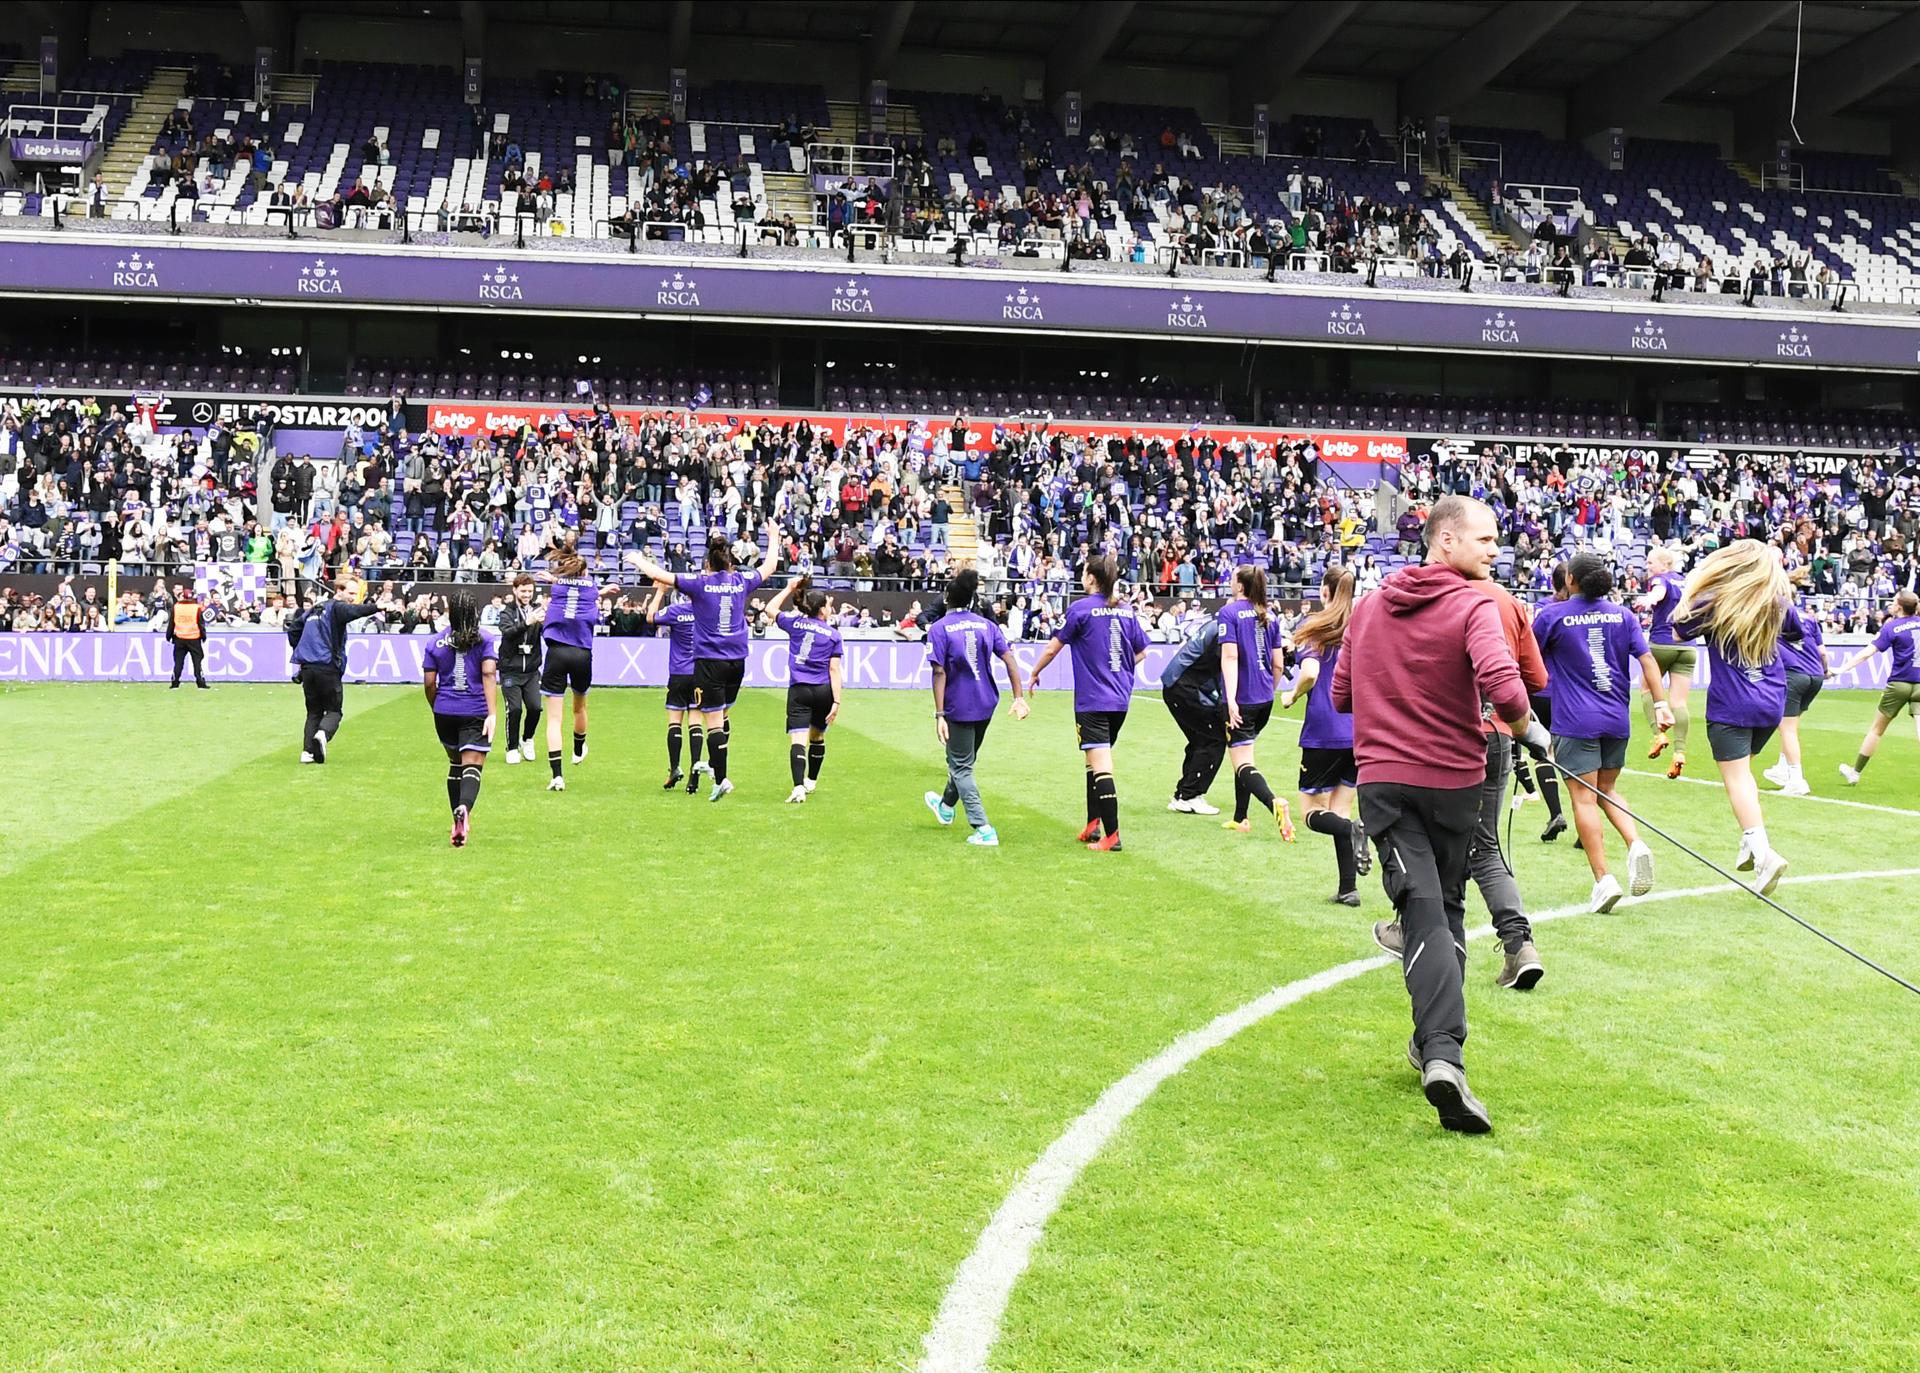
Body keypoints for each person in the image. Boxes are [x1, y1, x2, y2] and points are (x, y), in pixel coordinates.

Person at [1331, 496, 1545, 1134]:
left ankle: (1435, 1048)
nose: (1494, 549)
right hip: (1452, 782)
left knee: (1427, 909)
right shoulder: (1477, 602)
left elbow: (1342, 693)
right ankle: (1442, 1055)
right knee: (1438, 908)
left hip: (1384, 782)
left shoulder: (1368, 606)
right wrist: (1528, 730)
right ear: (1444, 541)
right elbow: (1505, 683)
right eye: (1483, 539)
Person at [1532, 552, 1671, 914]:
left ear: (1570, 581)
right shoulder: (1623, 615)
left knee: (1583, 798)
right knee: (1607, 788)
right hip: (1615, 719)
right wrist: (1660, 704)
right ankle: (1635, 843)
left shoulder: (1552, 616)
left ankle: (1603, 880)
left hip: (1575, 720)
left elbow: (1527, 661)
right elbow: (1647, 660)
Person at [1670, 540, 1797, 894]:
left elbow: (1678, 628)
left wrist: (1700, 585)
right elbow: (1796, 631)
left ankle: (1763, 853)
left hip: (1732, 702)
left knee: (1737, 779)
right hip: (1771, 700)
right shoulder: (1777, 602)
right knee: (1746, 774)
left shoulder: (1715, 602)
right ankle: (1749, 840)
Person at [629, 525, 783, 802]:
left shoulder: (699, 584)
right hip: (738, 659)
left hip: (709, 662)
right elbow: (770, 565)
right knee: (723, 716)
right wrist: (773, 537)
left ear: (708, 564)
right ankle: (714, 764)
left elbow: (658, 575)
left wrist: (639, 559)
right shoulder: (741, 581)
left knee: (712, 720)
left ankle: (720, 778)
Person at [1026, 553, 1150, 851]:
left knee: (1102, 765)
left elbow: (1053, 648)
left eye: (1084, 572)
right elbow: (1143, 651)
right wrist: (1118, 669)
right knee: (1093, 761)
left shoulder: (1080, 609)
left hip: (1093, 700)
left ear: (1091, 578)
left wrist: (1034, 672)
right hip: (1120, 698)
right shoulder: (1126, 610)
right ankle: (1093, 825)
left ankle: (1113, 836)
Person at [924, 568, 1030, 846]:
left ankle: (983, 828)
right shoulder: (987, 625)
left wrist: (939, 714)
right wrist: (1018, 697)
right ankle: (946, 808)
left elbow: (939, 673)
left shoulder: (939, 628)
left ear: (947, 597)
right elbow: (1009, 659)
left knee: (960, 767)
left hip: (958, 705)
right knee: (964, 762)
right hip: (986, 702)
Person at [1279, 566, 1366, 904]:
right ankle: (1348, 889)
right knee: (1340, 810)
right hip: (1357, 729)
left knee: (1312, 812)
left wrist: (1292, 695)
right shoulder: (1362, 625)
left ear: (1325, 592)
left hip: (1325, 731)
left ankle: (1353, 831)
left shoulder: (1315, 626)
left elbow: (1311, 673)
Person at [1215, 566, 1295, 842]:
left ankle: (1274, 803)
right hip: (1263, 699)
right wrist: (1269, 689)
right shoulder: (1268, 615)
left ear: (1240, 586)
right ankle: (1241, 817)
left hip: (1243, 698)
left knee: (1241, 763)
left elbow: (1230, 657)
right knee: (1247, 756)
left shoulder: (1229, 613)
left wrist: (1233, 700)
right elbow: (1278, 663)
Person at [536, 548, 620, 792]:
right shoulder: (592, 588)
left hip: (556, 653)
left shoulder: (558, 587)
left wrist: (553, 578)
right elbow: (589, 592)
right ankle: (578, 747)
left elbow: (562, 583)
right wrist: (604, 591)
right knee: (579, 707)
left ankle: (557, 776)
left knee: (553, 718)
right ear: (584, 572)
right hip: (582, 653)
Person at [421, 591, 499, 848]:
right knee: (472, 766)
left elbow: (430, 683)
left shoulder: (434, 642)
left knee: (455, 764)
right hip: (474, 709)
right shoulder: (485, 639)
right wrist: (492, 713)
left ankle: (456, 815)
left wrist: (437, 707)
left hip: (444, 711)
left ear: (451, 613)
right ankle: (464, 809)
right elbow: (488, 674)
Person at [762, 574, 845, 804]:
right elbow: (834, 670)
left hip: (799, 690)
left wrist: (788, 588)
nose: (831, 608)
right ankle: (811, 780)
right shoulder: (834, 635)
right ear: (821, 610)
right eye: (829, 605)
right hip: (823, 691)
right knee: (817, 736)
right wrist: (837, 702)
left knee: (798, 739)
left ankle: (798, 787)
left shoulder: (794, 623)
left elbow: (770, 608)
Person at [1829, 588, 1920, 786]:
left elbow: (1866, 654)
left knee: (1877, 730)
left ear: (1899, 606)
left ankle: (1855, 772)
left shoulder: (1892, 627)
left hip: (1899, 684)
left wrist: (1841, 669)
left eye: (1894, 601)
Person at [289, 576, 380, 763]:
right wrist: (377, 607)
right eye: (351, 593)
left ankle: (307, 752)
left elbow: (294, 629)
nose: (354, 598)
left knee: (313, 711)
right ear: (339, 591)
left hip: (307, 668)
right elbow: (354, 611)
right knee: (334, 711)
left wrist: (302, 649)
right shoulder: (336, 607)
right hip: (327, 667)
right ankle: (322, 735)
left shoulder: (315, 609)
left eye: (357, 594)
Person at [1513, 560, 1569, 843]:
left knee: (1542, 751)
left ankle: (1556, 813)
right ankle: (1587, 821)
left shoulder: (1545, 611)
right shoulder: (1586, 610)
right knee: (1575, 756)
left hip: (1543, 691)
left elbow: (1531, 648)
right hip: (1573, 695)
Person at [1763, 572, 1829, 796]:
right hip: (1815, 675)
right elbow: (1822, 652)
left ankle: (1797, 778)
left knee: (1787, 728)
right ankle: (1783, 769)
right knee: (1791, 725)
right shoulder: (1809, 617)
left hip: (1794, 674)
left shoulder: (1773, 616)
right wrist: (1826, 670)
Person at [1636, 545, 1694, 779]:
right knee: (1679, 702)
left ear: (1665, 565)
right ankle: (1680, 752)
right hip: (1688, 647)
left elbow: (1658, 592)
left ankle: (1658, 735)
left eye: (1651, 563)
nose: (1648, 567)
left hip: (1662, 642)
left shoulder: (1661, 580)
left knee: (1646, 687)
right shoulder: (1687, 582)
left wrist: (1648, 599)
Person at [1160, 611, 1226, 816]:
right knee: (1213, 739)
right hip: (1184, 687)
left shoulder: (1215, 626)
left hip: (1178, 685)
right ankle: (1189, 795)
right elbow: (1226, 665)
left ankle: (1183, 794)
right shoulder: (1224, 633)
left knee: (1201, 740)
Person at [647, 582, 702, 790]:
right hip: (700, 673)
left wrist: (660, 591)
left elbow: (650, 617)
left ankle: (674, 768)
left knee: (674, 722)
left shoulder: (676, 611)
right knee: (695, 722)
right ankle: (694, 773)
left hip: (679, 673)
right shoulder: (706, 611)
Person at [494, 573, 544, 765]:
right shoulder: (507, 612)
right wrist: (527, 623)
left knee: (535, 708)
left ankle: (527, 739)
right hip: (510, 671)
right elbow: (508, 634)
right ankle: (512, 748)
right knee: (514, 709)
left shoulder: (537, 611)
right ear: (515, 590)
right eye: (523, 591)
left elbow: (546, 632)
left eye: (530, 591)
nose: (526, 594)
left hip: (531, 671)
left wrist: (545, 623)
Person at [166, 585, 210, 689]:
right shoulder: (196, 607)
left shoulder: (176, 607)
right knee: (197, 662)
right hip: (194, 638)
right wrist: (204, 636)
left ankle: (175, 682)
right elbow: (201, 624)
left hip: (180, 638)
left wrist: (169, 636)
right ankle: (200, 683)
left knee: (178, 662)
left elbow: (171, 623)